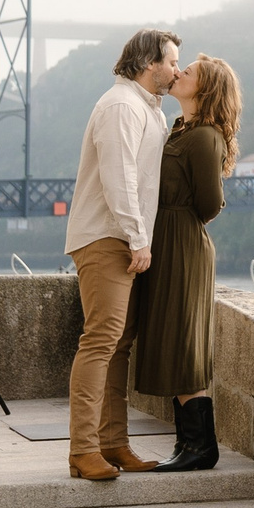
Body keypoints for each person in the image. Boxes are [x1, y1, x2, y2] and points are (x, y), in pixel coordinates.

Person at [63, 28, 178, 481]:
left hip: (121, 237)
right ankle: (82, 450)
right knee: (100, 341)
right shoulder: (120, 106)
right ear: (150, 63)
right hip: (108, 237)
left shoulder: (146, 109)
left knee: (118, 346)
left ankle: (113, 443)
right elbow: (119, 176)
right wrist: (137, 238)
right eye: (171, 62)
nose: (175, 69)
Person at [135, 53, 238, 473]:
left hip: (184, 245)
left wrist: (176, 218)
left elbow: (211, 204)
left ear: (205, 88)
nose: (178, 73)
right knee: (172, 339)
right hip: (168, 239)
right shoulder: (180, 128)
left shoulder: (204, 137)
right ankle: (188, 444)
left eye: (188, 72)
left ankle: (200, 447)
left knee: (182, 340)